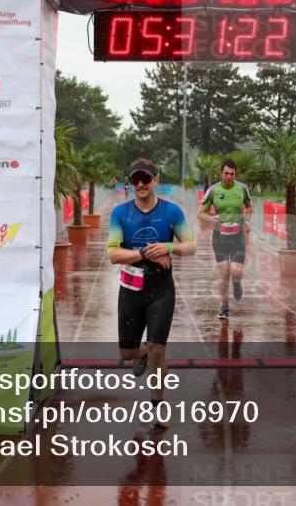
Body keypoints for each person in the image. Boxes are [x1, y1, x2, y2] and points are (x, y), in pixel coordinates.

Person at [107, 159, 196, 421]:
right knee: (127, 353)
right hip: (131, 288)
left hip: (161, 288)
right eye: (136, 179)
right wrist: (146, 253)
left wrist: (168, 248)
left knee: (159, 349)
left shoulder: (172, 212)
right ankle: (141, 351)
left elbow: (190, 246)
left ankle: (158, 408)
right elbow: (113, 254)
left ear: (156, 180)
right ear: (130, 182)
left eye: (146, 178)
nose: (141, 184)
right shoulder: (120, 213)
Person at [198, 158, 252, 320]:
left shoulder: (242, 189)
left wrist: (247, 221)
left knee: (235, 270)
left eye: (232, 174)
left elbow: (249, 207)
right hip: (219, 236)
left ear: (236, 174)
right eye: (226, 173)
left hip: (238, 236)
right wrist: (211, 219)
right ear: (221, 173)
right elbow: (200, 213)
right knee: (224, 272)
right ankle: (224, 306)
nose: (229, 177)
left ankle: (237, 283)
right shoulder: (213, 191)